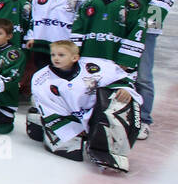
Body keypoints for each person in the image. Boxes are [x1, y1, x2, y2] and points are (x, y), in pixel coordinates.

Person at [88, 0, 176, 138]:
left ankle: (143, 118)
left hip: (142, 26)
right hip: (108, 23)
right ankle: (102, 112)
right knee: (104, 69)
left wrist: (149, 24)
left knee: (142, 74)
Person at [27, 40, 142, 172]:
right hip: (69, 118)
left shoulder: (94, 66)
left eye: (61, 55)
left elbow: (120, 77)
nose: (56, 58)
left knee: (120, 100)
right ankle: (39, 124)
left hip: (96, 112)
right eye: (53, 55)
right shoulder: (41, 79)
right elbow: (50, 108)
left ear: (75, 57)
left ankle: (110, 150)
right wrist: (74, 128)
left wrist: (124, 88)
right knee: (69, 147)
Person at [71, 0, 147, 72]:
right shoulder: (89, 3)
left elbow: (137, 32)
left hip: (115, 57)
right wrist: (74, 52)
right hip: (88, 56)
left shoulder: (132, 5)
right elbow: (78, 29)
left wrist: (126, 60)